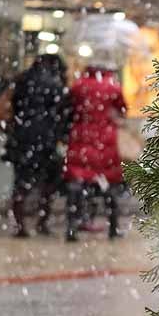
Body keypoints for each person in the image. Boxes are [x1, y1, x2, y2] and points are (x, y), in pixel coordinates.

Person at [4, 55, 72, 238]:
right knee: (48, 184)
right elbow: (62, 113)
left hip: (22, 137)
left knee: (21, 183)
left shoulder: (22, 79)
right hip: (46, 139)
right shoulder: (56, 84)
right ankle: (42, 222)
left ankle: (20, 225)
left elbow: (15, 106)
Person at [64, 60, 127, 242]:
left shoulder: (78, 86)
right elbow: (122, 109)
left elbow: (69, 108)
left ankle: (71, 228)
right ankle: (113, 227)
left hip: (81, 139)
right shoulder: (112, 86)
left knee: (77, 184)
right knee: (108, 185)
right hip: (105, 141)